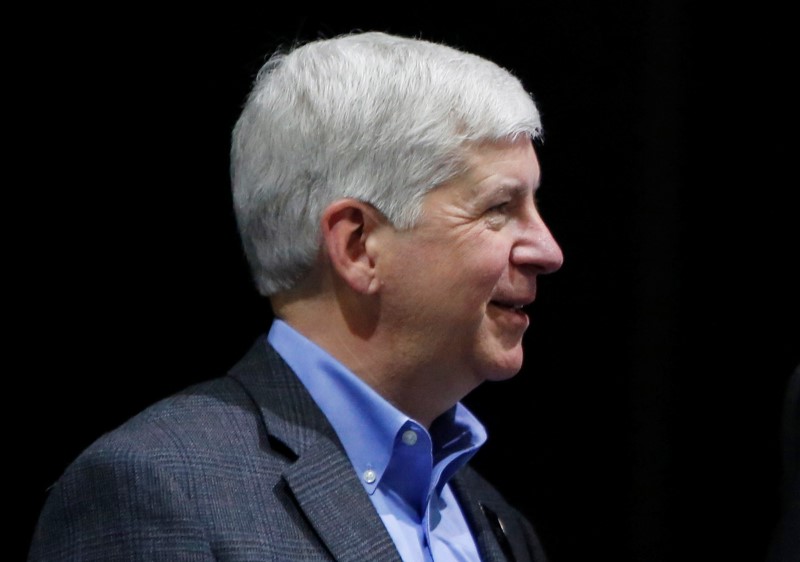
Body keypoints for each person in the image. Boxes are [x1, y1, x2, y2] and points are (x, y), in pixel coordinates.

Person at [29, 30, 563, 561]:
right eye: (498, 208)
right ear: (358, 246)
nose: (549, 250)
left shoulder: (497, 523)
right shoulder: (155, 491)